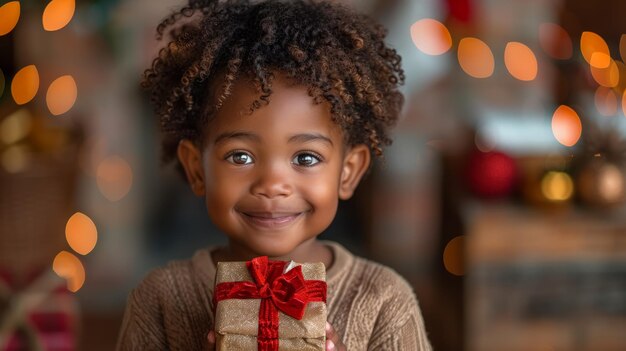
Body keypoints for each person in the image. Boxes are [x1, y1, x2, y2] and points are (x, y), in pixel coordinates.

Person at [116, 0, 431, 350]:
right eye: (240, 156)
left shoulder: (385, 301)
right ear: (196, 168)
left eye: (306, 158)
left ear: (348, 172)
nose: (272, 185)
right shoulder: (159, 299)